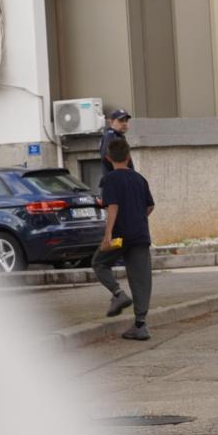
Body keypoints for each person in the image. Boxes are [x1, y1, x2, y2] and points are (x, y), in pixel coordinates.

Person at [94, 137, 155, 341]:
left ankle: (118, 293)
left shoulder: (110, 179)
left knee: (100, 263)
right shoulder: (139, 179)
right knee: (141, 279)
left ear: (108, 158)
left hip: (119, 237)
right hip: (139, 235)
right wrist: (137, 219)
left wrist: (108, 235)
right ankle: (140, 325)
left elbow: (113, 206)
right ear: (128, 157)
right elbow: (149, 206)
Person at [98, 107, 133, 173]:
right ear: (111, 122)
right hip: (117, 178)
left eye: (126, 120)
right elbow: (106, 158)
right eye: (121, 120)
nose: (124, 123)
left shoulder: (119, 136)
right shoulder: (110, 136)